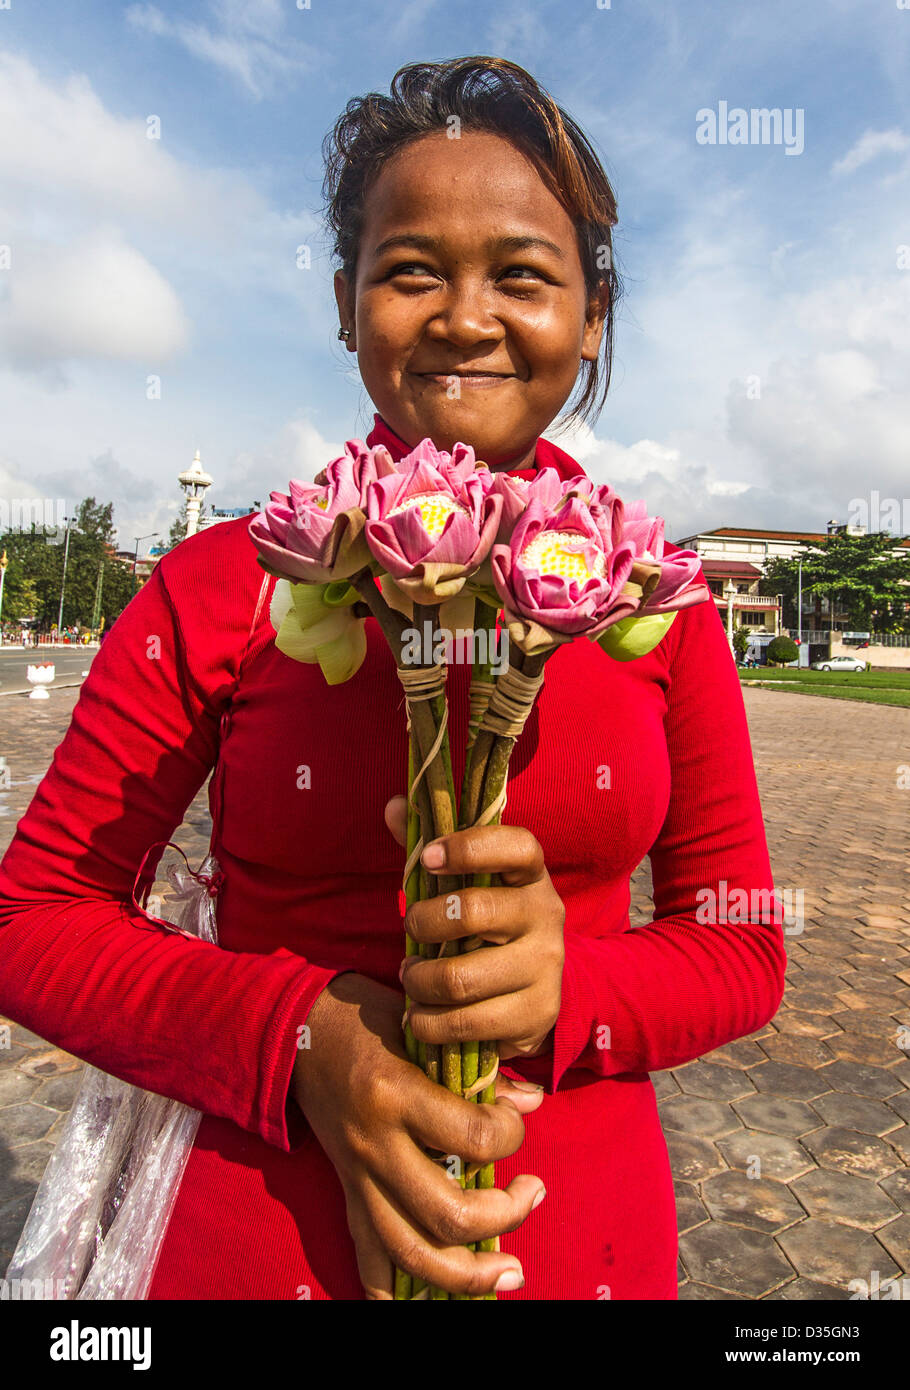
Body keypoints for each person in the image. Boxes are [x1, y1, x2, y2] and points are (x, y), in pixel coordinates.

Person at [0, 57, 785, 1300]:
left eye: (523, 276)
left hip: (578, 1236)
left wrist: (568, 987)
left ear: (590, 318)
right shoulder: (227, 580)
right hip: (259, 1227)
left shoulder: (652, 596)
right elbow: (33, 916)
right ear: (345, 299)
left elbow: (740, 948)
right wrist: (302, 1037)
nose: (465, 318)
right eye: (411, 269)